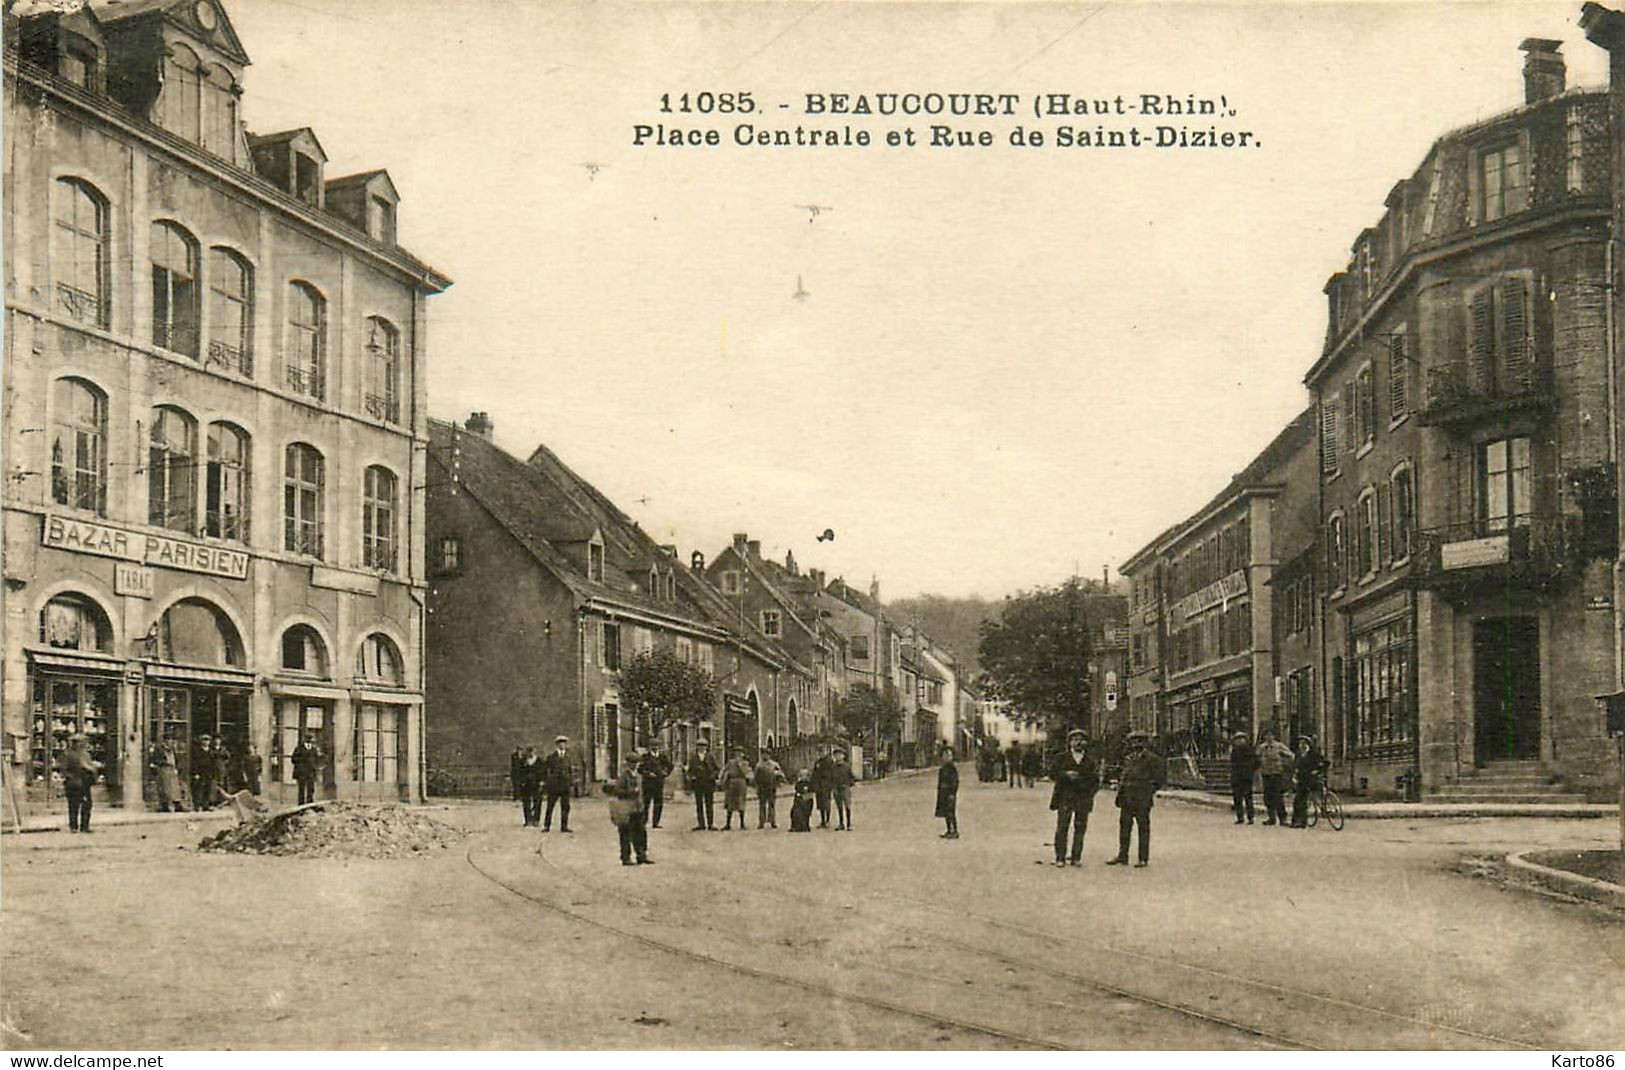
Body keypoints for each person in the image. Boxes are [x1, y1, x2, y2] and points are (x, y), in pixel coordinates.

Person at [1106, 730, 1164, 868]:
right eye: (1133, 741)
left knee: (1143, 828)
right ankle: (1122, 855)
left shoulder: (1153, 759)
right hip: (1126, 798)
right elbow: (1123, 776)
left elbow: (1159, 779)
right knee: (1124, 828)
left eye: (1139, 740)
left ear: (1145, 742)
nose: (1136, 743)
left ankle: (1143, 858)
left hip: (1142, 798)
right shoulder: (1128, 758)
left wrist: (1148, 790)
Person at [1049, 727, 1099, 867]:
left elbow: (1095, 781)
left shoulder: (1090, 761)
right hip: (1065, 797)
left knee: (1080, 828)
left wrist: (1088, 793)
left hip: (1082, 799)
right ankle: (1060, 857)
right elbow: (1052, 774)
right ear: (1070, 742)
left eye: (1081, 740)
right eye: (1075, 740)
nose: (1078, 742)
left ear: (1085, 743)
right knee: (1062, 827)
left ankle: (1076, 857)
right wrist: (1065, 774)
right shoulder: (1061, 758)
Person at [57, 734, 101, 833]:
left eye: (84, 742)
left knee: (87, 805)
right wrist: (70, 777)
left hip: (85, 783)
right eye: (81, 742)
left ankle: (85, 826)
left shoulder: (86, 755)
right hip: (73, 783)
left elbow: (90, 767)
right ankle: (73, 826)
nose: (83, 744)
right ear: (74, 743)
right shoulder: (67, 754)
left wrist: (92, 774)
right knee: (73, 805)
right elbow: (63, 769)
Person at [608, 763, 651, 865]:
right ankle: (625, 857)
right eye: (632, 763)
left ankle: (641, 855)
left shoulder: (639, 776)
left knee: (640, 832)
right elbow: (617, 790)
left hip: (638, 808)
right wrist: (630, 791)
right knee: (625, 833)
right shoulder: (623, 776)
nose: (635, 765)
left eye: (636, 763)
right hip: (626, 809)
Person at [1257, 729, 1294, 826]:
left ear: (1274, 737)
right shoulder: (1262, 747)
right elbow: (1257, 759)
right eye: (1267, 735)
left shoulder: (1279, 746)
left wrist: (1283, 761)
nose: (1269, 737)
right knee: (1268, 797)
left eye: (1271, 735)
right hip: (1266, 774)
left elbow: (1290, 755)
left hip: (1277, 774)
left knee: (1278, 796)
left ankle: (1283, 818)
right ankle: (1271, 817)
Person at [1291, 735, 1328, 828]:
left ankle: (1302, 821)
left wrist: (1318, 770)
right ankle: (1296, 821)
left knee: (1302, 799)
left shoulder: (1314, 754)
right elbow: (1296, 766)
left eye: (1304, 743)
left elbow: (1325, 763)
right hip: (1302, 780)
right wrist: (1295, 775)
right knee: (1297, 800)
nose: (1302, 745)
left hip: (1313, 779)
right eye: (1300, 743)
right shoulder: (1299, 755)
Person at [638, 739, 674, 829]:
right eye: (652, 746)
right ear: (649, 747)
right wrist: (647, 773)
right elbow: (640, 769)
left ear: (659, 747)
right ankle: (644, 822)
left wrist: (665, 773)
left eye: (656, 746)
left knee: (658, 803)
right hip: (648, 783)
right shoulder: (645, 757)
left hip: (658, 783)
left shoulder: (662, 757)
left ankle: (656, 822)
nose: (654, 747)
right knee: (646, 803)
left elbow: (670, 766)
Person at [541, 735, 574, 832]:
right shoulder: (551, 757)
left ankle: (564, 826)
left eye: (564, 743)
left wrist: (570, 783)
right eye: (560, 743)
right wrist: (547, 781)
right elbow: (544, 769)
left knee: (565, 807)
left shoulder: (568, 757)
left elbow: (570, 771)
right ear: (557, 745)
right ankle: (547, 826)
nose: (562, 745)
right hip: (554, 786)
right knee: (550, 806)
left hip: (565, 786)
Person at [685, 739, 718, 830]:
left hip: (708, 783)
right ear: (697, 747)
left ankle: (710, 824)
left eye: (703, 746)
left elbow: (716, 769)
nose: (701, 748)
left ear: (706, 747)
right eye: (700, 746)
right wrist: (692, 777)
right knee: (699, 804)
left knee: (709, 804)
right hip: (698, 783)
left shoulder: (710, 756)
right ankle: (701, 824)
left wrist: (713, 776)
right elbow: (689, 770)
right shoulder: (693, 758)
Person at [1228, 730, 1258, 825]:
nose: (1239, 741)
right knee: (1237, 798)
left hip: (1246, 777)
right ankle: (1240, 817)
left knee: (1248, 797)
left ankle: (1250, 817)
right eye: (1237, 739)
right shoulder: (1234, 751)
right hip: (1236, 776)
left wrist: (1251, 770)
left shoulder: (1250, 750)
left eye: (1241, 739)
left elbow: (1257, 762)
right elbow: (1232, 763)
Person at [720, 747, 753, 830]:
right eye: (736, 753)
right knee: (730, 803)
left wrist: (749, 778)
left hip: (741, 783)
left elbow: (749, 774)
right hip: (732, 783)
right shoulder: (730, 763)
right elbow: (724, 772)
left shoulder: (745, 763)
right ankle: (728, 824)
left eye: (740, 753)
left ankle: (742, 823)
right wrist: (723, 781)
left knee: (741, 803)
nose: (738, 754)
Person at [149, 738, 181, 812]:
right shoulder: (159, 749)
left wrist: (177, 767)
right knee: (165, 788)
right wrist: (164, 762)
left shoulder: (172, 749)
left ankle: (177, 804)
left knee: (175, 788)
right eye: (169, 740)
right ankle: (165, 805)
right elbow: (155, 759)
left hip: (172, 769)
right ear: (165, 741)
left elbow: (176, 759)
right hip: (164, 769)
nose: (171, 742)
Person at [935, 744, 960, 839]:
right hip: (943, 793)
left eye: (948, 756)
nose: (946, 757)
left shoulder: (952, 769)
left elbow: (955, 782)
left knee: (951, 812)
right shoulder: (942, 769)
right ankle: (949, 830)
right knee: (946, 813)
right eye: (945, 756)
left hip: (949, 793)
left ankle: (954, 830)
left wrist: (952, 792)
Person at [291, 732, 322, 806]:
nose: (309, 741)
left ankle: (310, 803)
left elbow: (317, 760)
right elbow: (293, 759)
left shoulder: (314, 749)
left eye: (310, 739)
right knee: (301, 789)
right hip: (302, 772)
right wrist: (302, 761)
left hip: (311, 772)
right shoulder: (299, 748)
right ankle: (301, 804)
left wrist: (315, 766)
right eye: (307, 739)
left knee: (311, 788)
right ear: (304, 740)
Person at [516, 745, 544, 826]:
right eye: (529, 752)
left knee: (537, 802)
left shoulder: (539, 761)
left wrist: (542, 781)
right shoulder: (523, 761)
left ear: (535, 752)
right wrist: (521, 782)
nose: (531, 753)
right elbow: (520, 772)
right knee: (526, 802)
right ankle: (528, 819)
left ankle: (536, 819)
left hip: (536, 784)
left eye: (532, 751)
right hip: (526, 785)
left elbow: (543, 772)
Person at [754, 753, 784, 828]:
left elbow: (781, 775)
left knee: (772, 805)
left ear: (769, 755)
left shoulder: (774, 765)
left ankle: (772, 821)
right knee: (762, 805)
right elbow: (756, 777)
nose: (765, 756)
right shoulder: (759, 766)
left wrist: (778, 782)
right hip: (762, 787)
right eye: (763, 755)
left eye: (766, 754)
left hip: (771, 787)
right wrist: (757, 787)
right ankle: (761, 821)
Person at [811, 746, 836, 828]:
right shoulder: (818, 762)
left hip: (826, 785)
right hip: (819, 786)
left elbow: (832, 774)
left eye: (822, 752)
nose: (820, 754)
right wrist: (812, 785)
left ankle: (827, 820)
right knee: (820, 804)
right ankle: (822, 821)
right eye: (819, 752)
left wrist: (831, 784)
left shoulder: (829, 761)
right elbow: (814, 774)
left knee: (826, 803)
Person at [830, 748, 855, 831]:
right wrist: (833, 788)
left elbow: (851, 777)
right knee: (839, 807)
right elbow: (831, 778)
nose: (838, 757)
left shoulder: (847, 766)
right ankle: (841, 823)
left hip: (845, 788)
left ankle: (849, 824)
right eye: (836, 755)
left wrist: (848, 785)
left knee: (847, 806)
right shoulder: (833, 767)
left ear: (843, 756)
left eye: (839, 755)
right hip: (836, 789)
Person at [190, 734, 213, 811]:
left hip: (209, 772)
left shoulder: (211, 751)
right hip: (200, 772)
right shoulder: (197, 751)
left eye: (207, 740)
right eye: (204, 740)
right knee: (199, 789)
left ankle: (205, 805)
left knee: (207, 788)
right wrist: (195, 773)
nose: (206, 742)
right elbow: (194, 762)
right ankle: (197, 805)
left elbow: (214, 762)